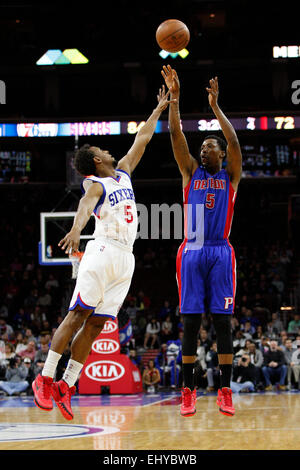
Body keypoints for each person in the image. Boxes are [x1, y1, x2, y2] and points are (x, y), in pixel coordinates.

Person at [32, 86, 174, 420]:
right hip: (102, 249)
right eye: (101, 149)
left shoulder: (123, 170)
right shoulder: (95, 184)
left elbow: (142, 138)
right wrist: (77, 229)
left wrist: (159, 109)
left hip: (126, 258)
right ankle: (45, 377)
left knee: (96, 325)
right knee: (77, 315)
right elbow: (84, 205)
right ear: (97, 160)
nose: (108, 150)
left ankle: (67, 384)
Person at [162, 65, 242, 417]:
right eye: (203, 146)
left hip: (221, 251)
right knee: (191, 322)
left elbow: (235, 141)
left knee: (223, 322)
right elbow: (176, 134)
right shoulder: (190, 171)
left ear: (221, 155)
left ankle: (225, 389)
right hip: (191, 250)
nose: (205, 149)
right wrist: (175, 100)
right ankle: (188, 390)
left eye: (211, 146)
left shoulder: (231, 175)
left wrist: (215, 108)